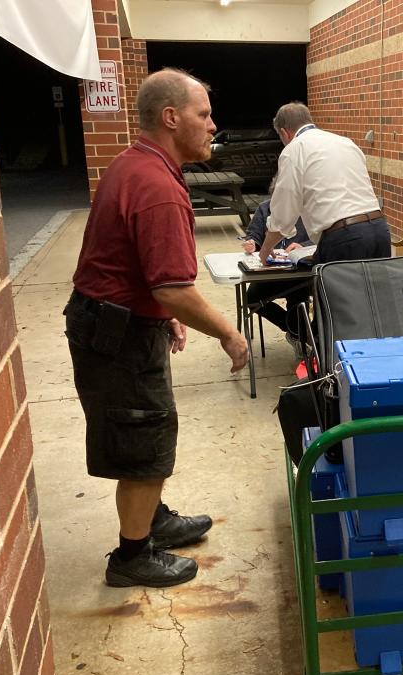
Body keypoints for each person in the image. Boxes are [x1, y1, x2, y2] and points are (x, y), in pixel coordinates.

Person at [64, 68, 249, 589]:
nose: (213, 126)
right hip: (115, 333)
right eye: (203, 114)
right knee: (143, 435)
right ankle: (132, 556)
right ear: (171, 117)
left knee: (142, 428)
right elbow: (171, 286)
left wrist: (160, 315)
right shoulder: (158, 188)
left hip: (111, 320)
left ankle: (154, 519)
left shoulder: (133, 164)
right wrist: (228, 333)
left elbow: (132, 265)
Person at [258, 102, 391, 266]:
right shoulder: (346, 142)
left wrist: (265, 250)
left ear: (284, 133)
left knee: (336, 292)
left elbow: (284, 212)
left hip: (344, 236)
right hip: (380, 229)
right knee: (375, 290)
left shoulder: (294, 149)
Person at [242, 194, 312, 345]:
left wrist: (304, 246)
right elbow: (253, 234)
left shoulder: (308, 209)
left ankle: (298, 335)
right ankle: (297, 331)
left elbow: (319, 237)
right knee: (251, 299)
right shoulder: (264, 208)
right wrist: (252, 242)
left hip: (299, 272)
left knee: (298, 295)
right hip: (269, 273)